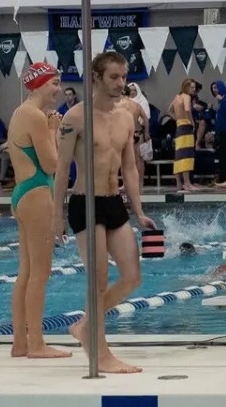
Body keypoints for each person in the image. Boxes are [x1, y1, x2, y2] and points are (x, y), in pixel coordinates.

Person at [52, 50, 156, 375]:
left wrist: (138, 211)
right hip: (86, 202)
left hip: (114, 203)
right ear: (96, 77)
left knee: (132, 277)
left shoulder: (127, 117)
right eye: (114, 77)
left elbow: (130, 168)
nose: (120, 83)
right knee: (97, 281)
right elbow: (61, 169)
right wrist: (57, 214)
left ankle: (86, 325)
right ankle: (101, 353)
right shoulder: (75, 118)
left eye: (124, 77)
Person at [7, 62, 66, 360]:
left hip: (23, 193)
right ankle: (37, 344)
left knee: (26, 273)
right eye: (54, 83)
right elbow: (52, 164)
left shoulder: (20, 113)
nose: (58, 89)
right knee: (39, 274)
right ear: (40, 84)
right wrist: (55, 130)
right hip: (38, 191)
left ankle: (20, 342)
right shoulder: (35, 116)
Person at [168, 77, 199, 191]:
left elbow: (169, 110)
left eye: (194, 87)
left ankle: (179, 184)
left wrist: (177, 119)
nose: (194, 89)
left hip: (179, 127)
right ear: (185, 87)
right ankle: (187, 183)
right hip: (186, 127)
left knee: (179, 155)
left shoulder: (177, 97)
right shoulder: (186, 97)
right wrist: (192, 122)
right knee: (186, 155)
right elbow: (187, 110)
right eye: (192, 87)